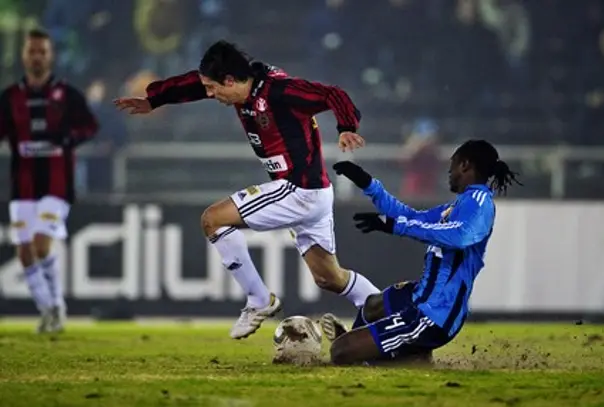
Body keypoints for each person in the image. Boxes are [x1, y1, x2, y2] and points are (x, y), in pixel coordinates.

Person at [113, 40, 380, 340]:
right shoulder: (239, 86)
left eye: (214, 88)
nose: (210, 95)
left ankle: (259, 300)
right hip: (313, 193)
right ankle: (388, 313)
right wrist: (154, 100)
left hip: (297, 190)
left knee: (212, 220)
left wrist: (346, 127)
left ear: (230, 80)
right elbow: (193, 84)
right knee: (330, 278)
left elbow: (332, 94)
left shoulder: (280, 91)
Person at [320, 139, 521, 365]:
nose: (449, 172)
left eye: (452, 165)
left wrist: (393, 225)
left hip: (435, 313)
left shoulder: (480, 202)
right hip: (422, 295)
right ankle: (383, 351)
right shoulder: (458, 205)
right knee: (373, 305)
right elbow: (411, 217)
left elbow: (461, 236)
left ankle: (393, 357)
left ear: (465, 165)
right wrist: (368, 184)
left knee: (340, 352)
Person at [0, 28, 99, 333]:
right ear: (24, 55)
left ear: (50, 55)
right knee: (24, 251)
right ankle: (48, 308)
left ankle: (57, 306)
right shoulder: (10, 97)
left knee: (41, 243)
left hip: (57, 183)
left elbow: (90, 127)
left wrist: (69, 137)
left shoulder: (67, 95)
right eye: (32, 51)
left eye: (42, 51)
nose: (37, 57)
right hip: (23, 184)